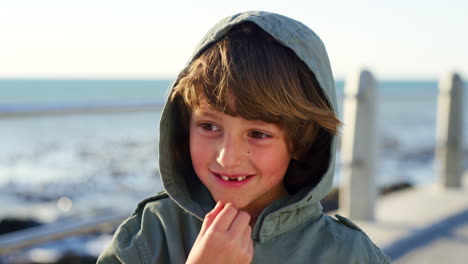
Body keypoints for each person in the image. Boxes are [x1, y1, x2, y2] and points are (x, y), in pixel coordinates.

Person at [98, 11, 390, 263]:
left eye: (258, 134)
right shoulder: (150, 235)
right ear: (184, 124)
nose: (227, 156)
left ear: (302, 141)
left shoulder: (348, 255)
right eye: (209, 127)